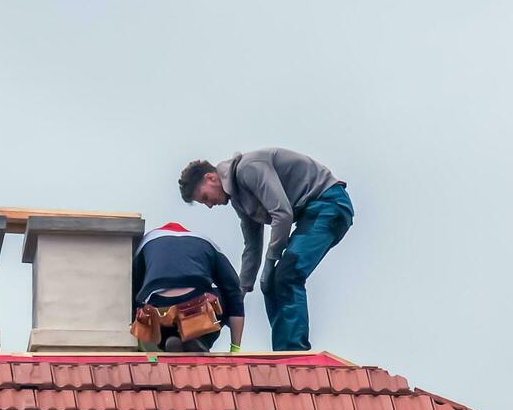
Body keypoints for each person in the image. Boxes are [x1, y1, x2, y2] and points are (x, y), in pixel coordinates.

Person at [178, 148, 353, 352]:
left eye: (205, 198)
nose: (209, 205)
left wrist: (270, 262)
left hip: (329, 204)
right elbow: (252, 246)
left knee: (287, 275)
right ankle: (282, 350)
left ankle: (293, 352)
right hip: (311, 213)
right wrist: (239, 292)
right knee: (270, 284)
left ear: (211, 178)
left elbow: (282, 214)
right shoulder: (239, 200)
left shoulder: (248, 169)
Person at [131, 221, 244, 352]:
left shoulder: (145, 244)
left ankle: (168, 339)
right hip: (198, 306)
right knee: (224, 295)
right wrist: (235, 348)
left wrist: (137, 340)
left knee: (152, 308)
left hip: (159, 310)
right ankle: (201, 340)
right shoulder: (206, 243)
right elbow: (234, 293)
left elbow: (132, 295)